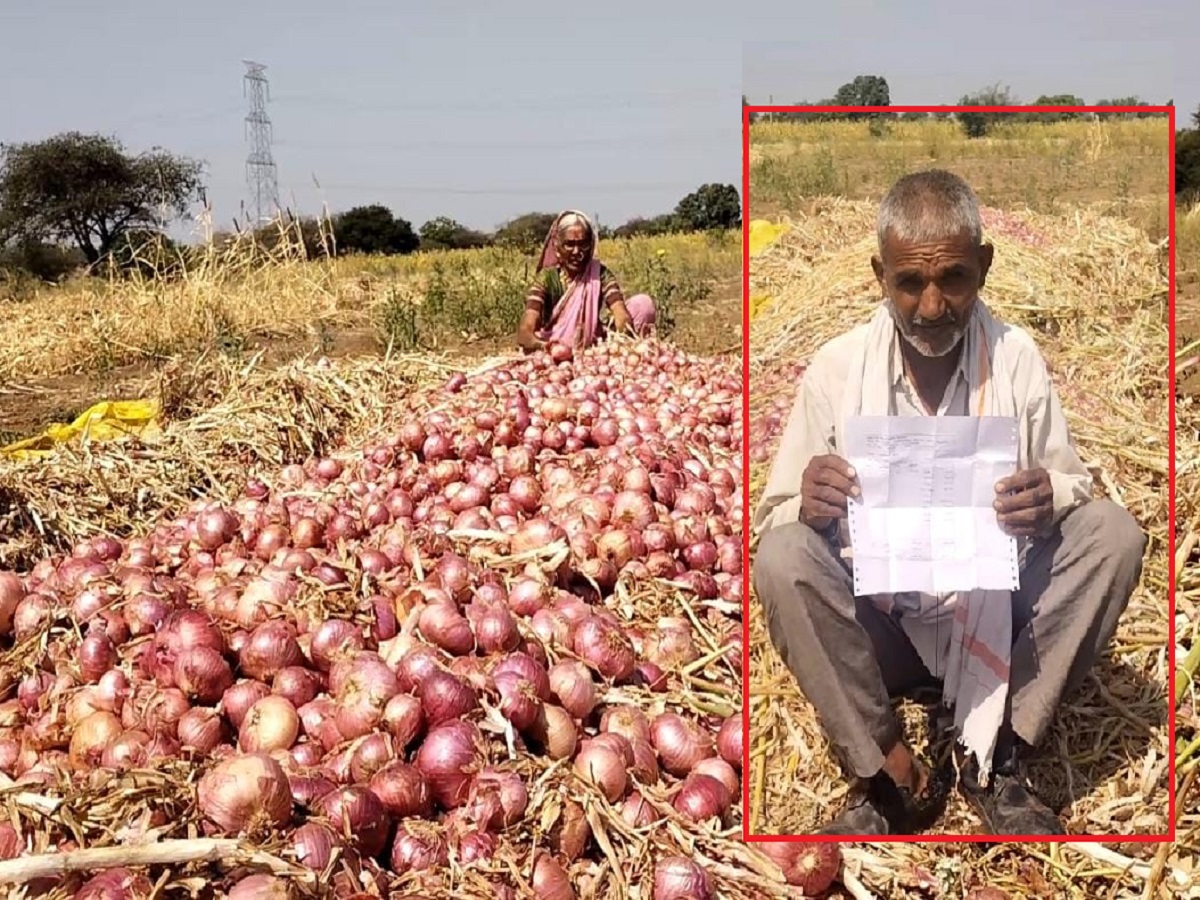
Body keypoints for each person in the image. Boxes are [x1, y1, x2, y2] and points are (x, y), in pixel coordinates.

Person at [751, 169, 1146, 836]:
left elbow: (1074, 485)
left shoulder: (1016, 359)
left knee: (1114, 535)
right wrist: (808, 503)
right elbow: (774, 515)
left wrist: (1049, 498)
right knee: (783, 555)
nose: (932, 306)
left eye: (954, 278)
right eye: (911, 283)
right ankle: (888, 769)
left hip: (1000, 608)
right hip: (880, 625)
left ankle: (997, 751)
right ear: (881, 275)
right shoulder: (838, 369)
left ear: (984, 267)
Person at [516, 210, 655, 353]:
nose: (576, 251)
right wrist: (545, 346)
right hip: (554, 344)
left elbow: (619, 310)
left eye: (583, 244)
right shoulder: (546, 278)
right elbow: (526, 328)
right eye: (569, 244)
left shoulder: (599, 274)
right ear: (557, 247)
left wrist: (623, 337)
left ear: (591, 246)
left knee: (642, 304)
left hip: (593, 343)